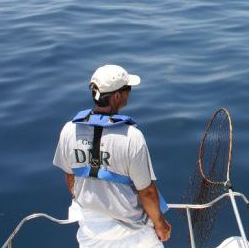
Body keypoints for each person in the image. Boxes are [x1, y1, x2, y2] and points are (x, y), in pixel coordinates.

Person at [53, 64, 172, 248]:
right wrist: (160, 225)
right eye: (127, 90)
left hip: (91, 232)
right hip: (134, 233)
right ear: (117, 96)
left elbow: (71, 179)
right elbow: (146, 191)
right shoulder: (132, 137)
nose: (129, 94)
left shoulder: (69, 130)